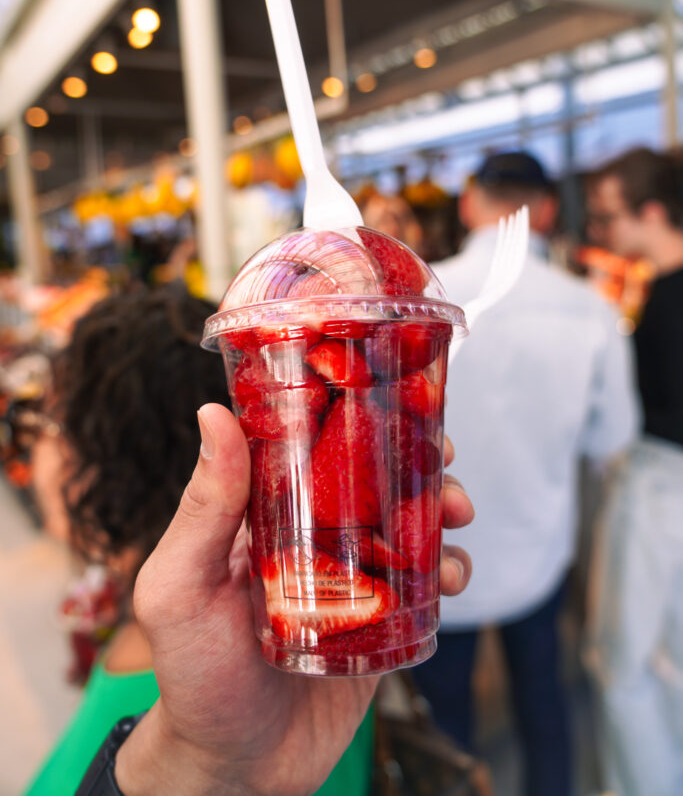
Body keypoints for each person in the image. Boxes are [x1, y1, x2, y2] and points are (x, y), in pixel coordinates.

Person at [27, 285, 475, 796]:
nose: (36, 445)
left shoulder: (197, 665)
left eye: (47, 423)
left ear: (104, 457)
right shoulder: (299, 616)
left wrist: (189, 761)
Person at [412, 151, 639, 796]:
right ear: (546, 213)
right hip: (537, 553)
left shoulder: (419, 301)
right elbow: (612, 439)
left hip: (437, 559)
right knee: (545, 710)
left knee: (443, 735)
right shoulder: (589, 309)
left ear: (468, 204)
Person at [584, 147, 683, 796]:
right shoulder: (652, 293)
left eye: (608, 217)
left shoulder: (664, 300)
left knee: (619, 662)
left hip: (657, 488)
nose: (603, 234)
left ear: (649, 213)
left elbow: (623, 426)